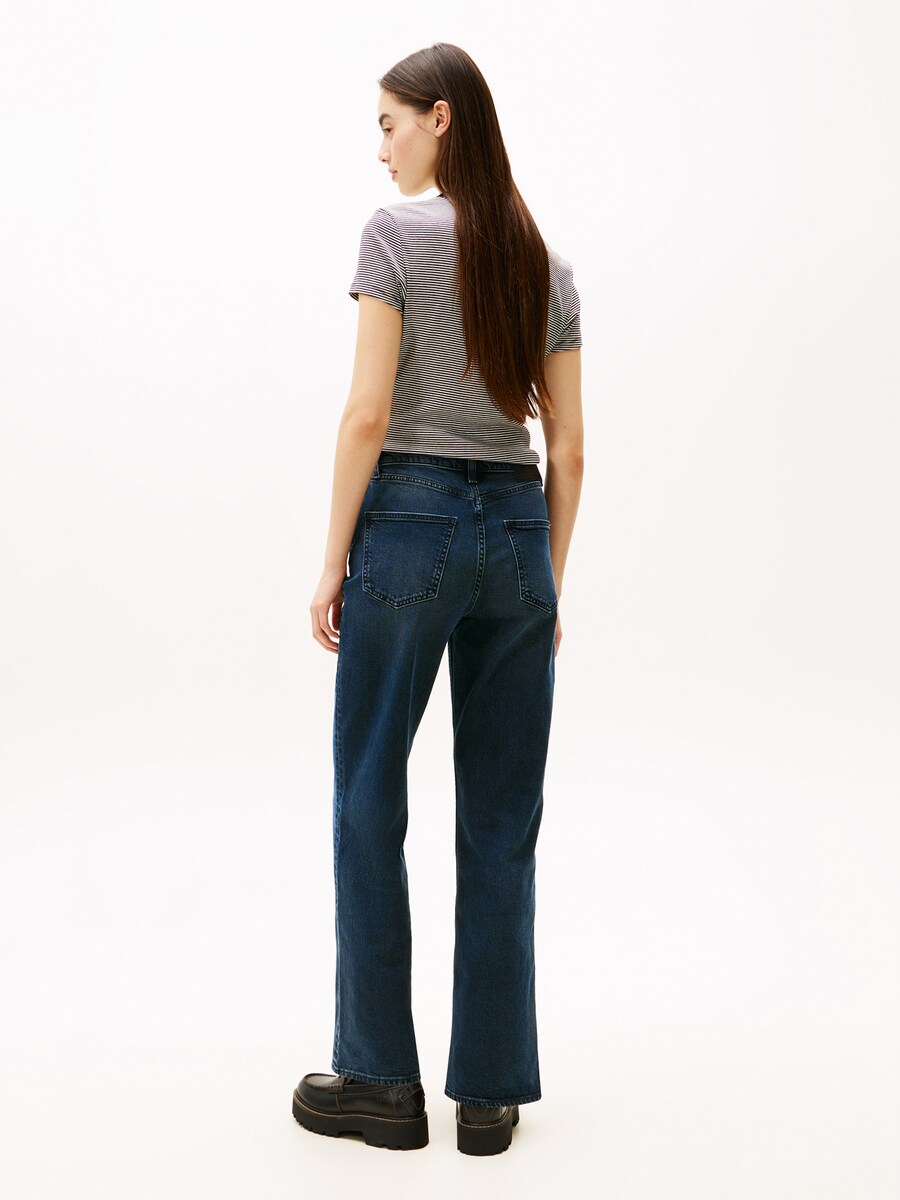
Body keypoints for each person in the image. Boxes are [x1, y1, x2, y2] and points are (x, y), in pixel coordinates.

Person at [291, 42, 584, 1156]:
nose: (382, 148)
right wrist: (549, 580)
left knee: (369, 791)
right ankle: (489, 1094)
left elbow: (367, 412)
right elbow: (570, 449)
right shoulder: (544, 261)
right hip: (517, 531)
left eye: (389, 123)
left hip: (408, 526)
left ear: (441, 118)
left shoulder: (393, 237)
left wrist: (333, 559)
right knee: (503, 817)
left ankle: (379, 1082)